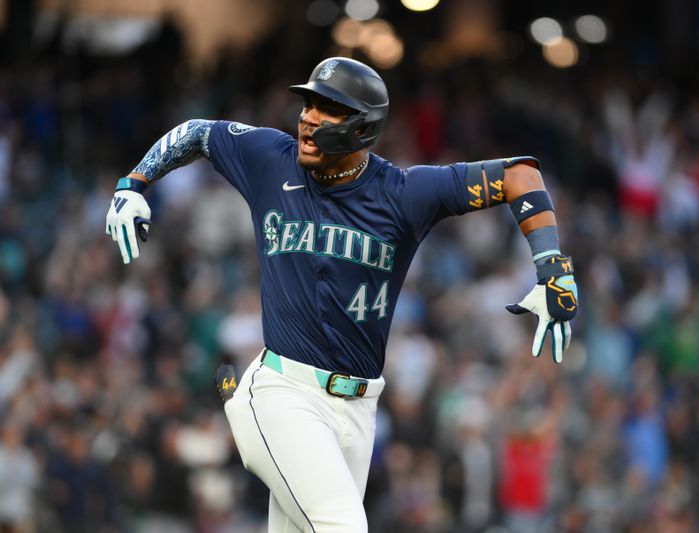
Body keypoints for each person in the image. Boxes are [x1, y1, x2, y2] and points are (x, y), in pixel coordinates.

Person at [105, 57, 578, 532]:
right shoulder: (271, 159)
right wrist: (134, 182)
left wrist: (552, 267)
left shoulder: (403, 193)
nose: (308, 116)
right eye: (308, 103)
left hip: (359, 411)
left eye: (328, 108)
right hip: (283, 393)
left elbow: (521, 175)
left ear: (361, 127)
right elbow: (197, 132)